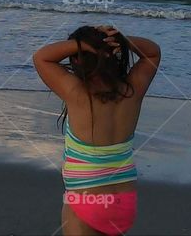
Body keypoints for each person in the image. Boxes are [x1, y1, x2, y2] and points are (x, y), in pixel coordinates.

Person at [33, 25, 162, 235]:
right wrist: (121, 40)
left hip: (86, 201)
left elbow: (42, 57)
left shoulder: (77, 93)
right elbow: (153, 52)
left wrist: (85, 45)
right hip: (123, 204)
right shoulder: (132, 90)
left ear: (76, 59)